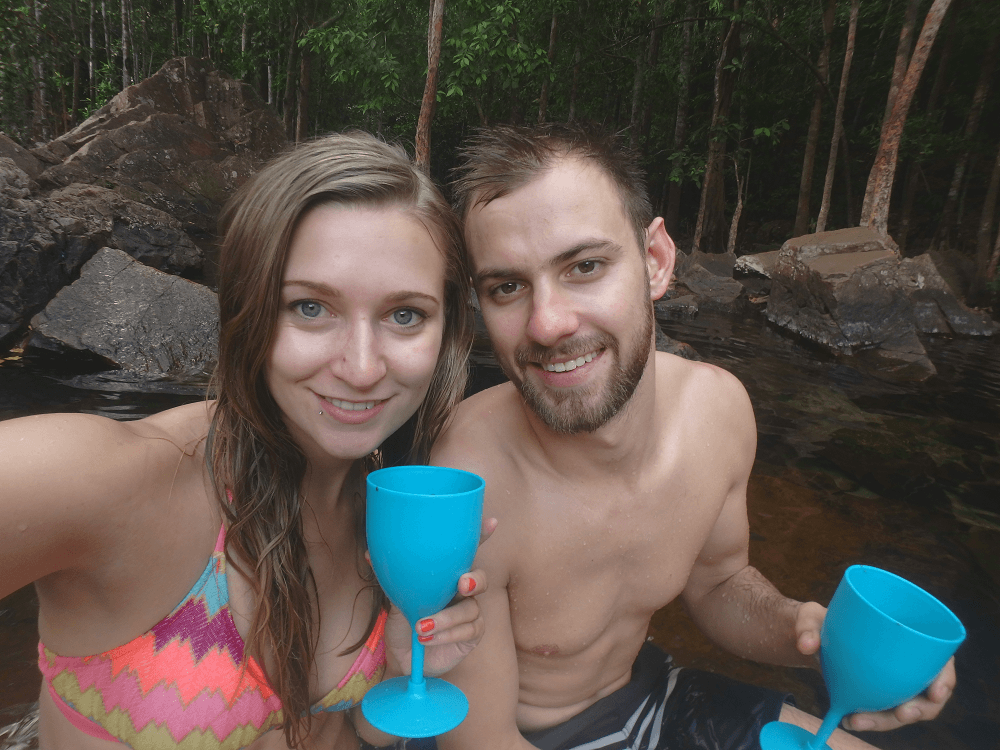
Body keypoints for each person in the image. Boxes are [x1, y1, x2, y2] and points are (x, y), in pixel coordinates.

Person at [430, 124, 957, 750]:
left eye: (586, 266)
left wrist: (813, 635)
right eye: (507, 287)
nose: (546, 324)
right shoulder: (465, 478)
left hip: (653, 696)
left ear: (656, 261)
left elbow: (718, 583)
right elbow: (479, 740)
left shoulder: (718, 412)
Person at [0, 132, 492, 750]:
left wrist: (396, 678)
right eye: (311, 307)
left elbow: (327, 732)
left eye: (404, 315)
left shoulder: (389, 505)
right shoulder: (115, 482)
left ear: (447, 333)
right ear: (248, 308)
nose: (363, 367)